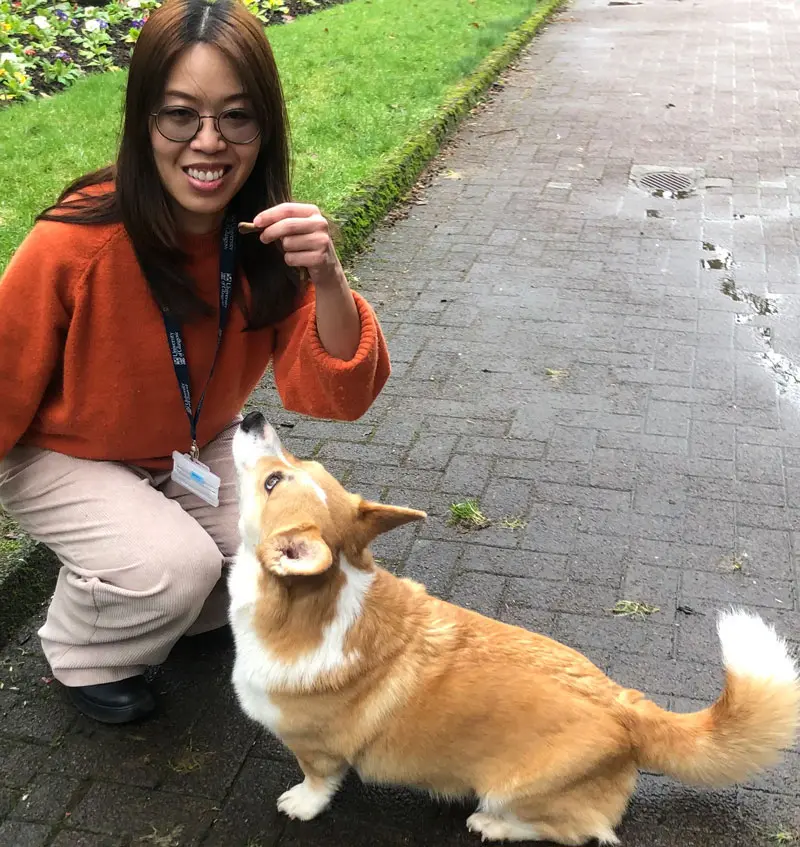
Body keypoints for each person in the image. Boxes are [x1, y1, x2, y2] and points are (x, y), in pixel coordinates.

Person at [0, 0, 390, 725]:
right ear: (144, 120)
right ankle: (81, 651)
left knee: (299, 549)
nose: (208, 143)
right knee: (169, 568)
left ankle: (166, 600)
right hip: (62, 449)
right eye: (181, 115)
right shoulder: (78, 237)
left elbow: (337, 389)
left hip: (186, 442)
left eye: (235, 117)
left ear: (264, 127)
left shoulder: (267, 237)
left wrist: (329, 276)